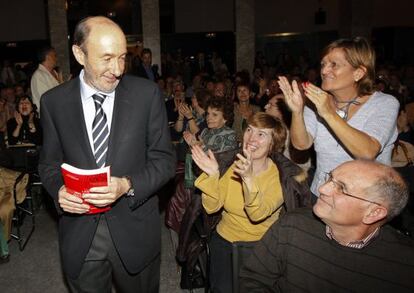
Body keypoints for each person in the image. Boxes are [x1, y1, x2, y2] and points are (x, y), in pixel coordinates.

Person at [38, 16, 175, 293]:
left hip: (135, 230)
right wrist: (59, 192)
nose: (117, 69)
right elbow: (49, 165)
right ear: (79, 54)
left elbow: (165, 161)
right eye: (107, 58)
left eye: (123, 57)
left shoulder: (146, 95)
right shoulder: (53, 103)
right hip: (81, 235)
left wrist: (127, 185)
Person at [240, 160, 414, 292]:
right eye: (330, 178)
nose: (323, 189)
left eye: (341, 188)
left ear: (373, 213)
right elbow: (253, 280)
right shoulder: (293, 224)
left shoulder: (404, 264)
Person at [278, 37, 399, 198]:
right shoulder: (316, 102)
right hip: (323, 194)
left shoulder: (384, 103)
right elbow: (301, 144)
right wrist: (297, 112)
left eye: (333, 65)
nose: (324, 70)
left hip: (365, 201)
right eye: (323, 64)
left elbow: (367, 151)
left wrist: (328, 113)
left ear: (358, 73)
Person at [191, 112, 288, 292]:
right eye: (249, 130)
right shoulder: (234, 166)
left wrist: (249, 179)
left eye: (261, 134)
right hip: (225, 238)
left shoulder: (280, 177)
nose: (251, 138)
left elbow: (257, 213)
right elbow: (212, 207)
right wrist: (212, 176)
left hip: (260, 245)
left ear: (273, 144)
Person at [30, 46, 62, 113]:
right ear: (48, 57)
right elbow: (47, 99)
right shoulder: (38, 76)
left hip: (58, 113)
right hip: (48, 115)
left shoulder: (55, 73)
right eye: (55, 56)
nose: (56, 58)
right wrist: (63, 87)